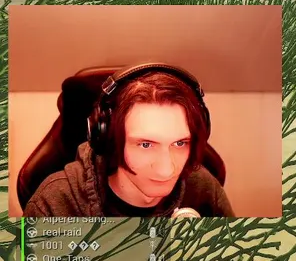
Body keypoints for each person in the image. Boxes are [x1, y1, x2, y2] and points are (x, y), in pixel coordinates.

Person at [25, 68, 235, 218]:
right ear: (110, 140)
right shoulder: (54, 204)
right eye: (145, 145)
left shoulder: (203, 188)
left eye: (179, 143)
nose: (166, 170)